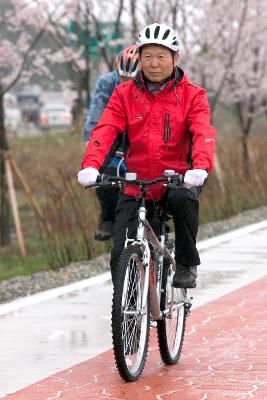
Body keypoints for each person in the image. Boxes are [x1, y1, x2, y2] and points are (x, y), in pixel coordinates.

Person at [78, 23, 216, 288]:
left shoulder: (193, 95)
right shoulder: (123, 94)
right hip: (136, 182)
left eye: (161, 56)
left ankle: (186, 263)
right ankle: (129, 315)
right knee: (120, 254)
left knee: (182, 198)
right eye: (148, 56)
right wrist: (91, 165)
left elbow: (203, 132)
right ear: (140, 58)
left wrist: (199, 167)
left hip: (180, 177)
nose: (154, 63)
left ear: (175, 58)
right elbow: (106, 130)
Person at [83, 45, 139, 240]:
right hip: (114, 134)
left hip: (140, 138)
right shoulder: (106, 83)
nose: (126, 84)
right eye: (122, 79)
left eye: (131, 81)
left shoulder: (152, 86)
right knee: (104, 175)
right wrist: (91, 141)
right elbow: (96, 113)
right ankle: (108, 217)